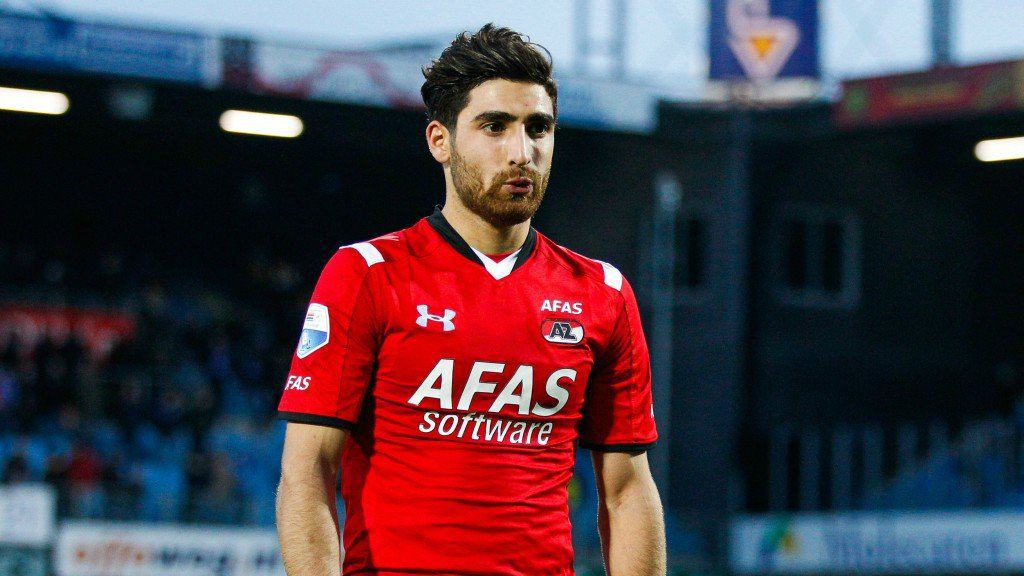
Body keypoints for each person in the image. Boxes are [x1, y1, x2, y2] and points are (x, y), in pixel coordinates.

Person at [276, 23, 665, 576]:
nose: (522, 152)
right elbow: (307, 474)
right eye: (494, 126)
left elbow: (626, 491)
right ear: (440, 140)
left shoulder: (603, 293)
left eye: (538, 128)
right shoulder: (366, 275)